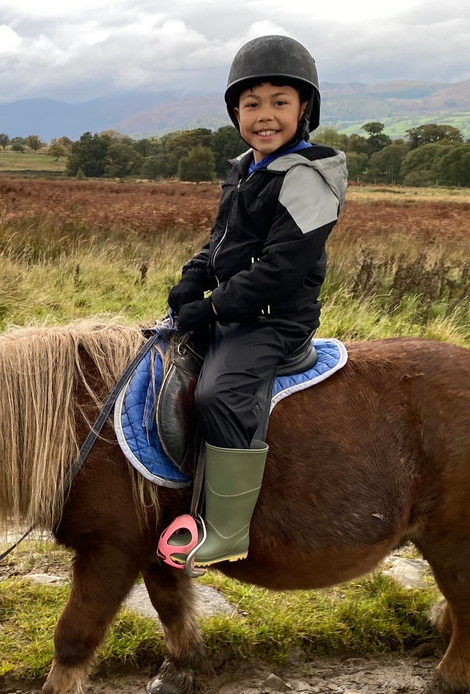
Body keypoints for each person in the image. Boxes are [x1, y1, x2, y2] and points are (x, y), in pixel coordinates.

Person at [157, 34, 347, 572]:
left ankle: (226, 530)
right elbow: (219, 241)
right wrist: (191, 281)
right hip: (234, 308)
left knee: (217, 394)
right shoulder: (246, 168)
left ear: (304, 108)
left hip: (273, 321)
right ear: (236, 112)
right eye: (252, 104)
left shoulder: (309, 177)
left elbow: (282, 269)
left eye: (279, 102)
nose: (265, 116)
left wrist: (214, 309)